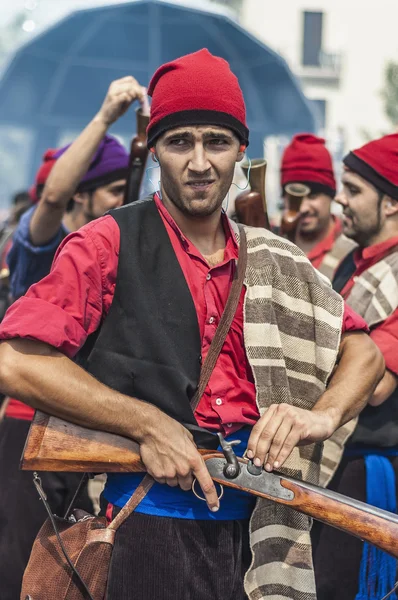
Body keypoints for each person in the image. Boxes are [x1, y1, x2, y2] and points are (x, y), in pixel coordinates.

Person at [0, 49, 384, 600]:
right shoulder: (106, 243)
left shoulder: (277, 258)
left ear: (241, 152)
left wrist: (320, 417)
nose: (200, 162)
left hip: (260, 535)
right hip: (143, 529)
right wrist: (148, 424)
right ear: (155, 149)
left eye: (217, 142)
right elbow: (14, 360)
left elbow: (364, 352)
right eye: (180, 142)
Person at [0, 76, 146, 600]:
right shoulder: (47, 247)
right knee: (21, 569)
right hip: (32, 431)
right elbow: (53, 194)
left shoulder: (122, 253)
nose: (123, 202)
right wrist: (106, 116)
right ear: (82, 197)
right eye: (112, 192)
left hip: (93, 431)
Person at [312, 133, 398, 600]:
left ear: (390, 204)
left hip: (371, 472)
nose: (340, 198)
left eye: (354, 189)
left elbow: (378, 381)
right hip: (337, 459)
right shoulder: (353, 261)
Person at [281, 133, 356, 279]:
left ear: (332, 195)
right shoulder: (271, 242)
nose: (303, 208)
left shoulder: (353, 251)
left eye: (313, 196)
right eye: (294, 198)